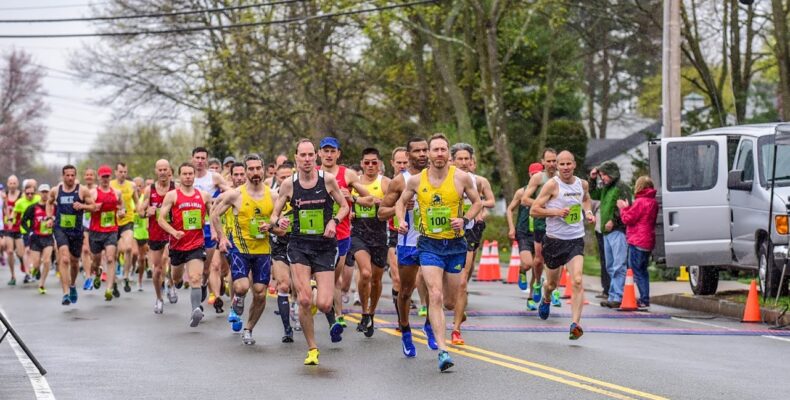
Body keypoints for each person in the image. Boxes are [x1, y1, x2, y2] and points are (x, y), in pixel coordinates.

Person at [395, 134, 482, 372]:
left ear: (449, 155)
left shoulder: (462, 178)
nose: (439, 154)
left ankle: (439, 325)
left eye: (444, 149)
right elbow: (400, 203)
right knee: (434, 294)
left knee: (451, 302)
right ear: (430, 154)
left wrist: (464, 220)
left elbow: (478, 203)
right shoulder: (415, 180)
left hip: (455, 245)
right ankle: (443, 350)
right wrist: (401, 220)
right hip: (429, 244)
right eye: (435, 150)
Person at [270, 139, 349, 366]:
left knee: (324, 304)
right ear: (296, 158)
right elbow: (273, 217)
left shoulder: (328, 180)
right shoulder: (288, 184)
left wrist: (334, 221)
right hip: (299, 245)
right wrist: (280, 221)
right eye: (302, 155)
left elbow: (344, 206)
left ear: (315, 156)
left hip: (324, 245)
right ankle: (312, 349)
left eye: (309, 155)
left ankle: (317, 300)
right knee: (304, 300)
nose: (306, 159)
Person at [212, 154, 281, 345]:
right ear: (246, 171)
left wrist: (274, 227)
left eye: (258, 168)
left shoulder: (273, 196)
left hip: (263, 250)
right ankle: (238, 299)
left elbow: (282, 226)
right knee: (241, 287)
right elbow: (215, 214)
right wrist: (222, 237)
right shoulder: (236, 194)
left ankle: (249, 328)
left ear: (264, 169)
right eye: (251, 169)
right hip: (240, 248)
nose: (255, 172)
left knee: (260, 292)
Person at [530, 151, 595, 340]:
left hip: (575, 239)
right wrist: (557, 212)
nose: (565, 167)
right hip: (554, 240)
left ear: (574, 164)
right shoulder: (552, 185)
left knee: (576, 280)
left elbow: (585, 199)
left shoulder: (582, 184)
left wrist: (588, 212)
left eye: (569, 164)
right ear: (556, 166)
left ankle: (575, 324)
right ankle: (547, 297)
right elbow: (534, 210)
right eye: (562, 164)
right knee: (551, 284)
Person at [378, 138, 429, 357]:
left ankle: (430, 324)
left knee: (435, 290)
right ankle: (406, 329)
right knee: (406, 291)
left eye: (425, 150)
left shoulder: (439, 177)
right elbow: (381, 212)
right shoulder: (400, 181)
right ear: (408, 156)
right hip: (408, 242)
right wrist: (401, 208)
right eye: (416, 151)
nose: (422, 154)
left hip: (433, 240)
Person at [317, 136, 372, 328]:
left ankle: (335, 312)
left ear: (338, 154)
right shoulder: (313, 173)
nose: (329, 154)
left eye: (333, 151)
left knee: (335, 276)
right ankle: (336, 315)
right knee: (325, 275)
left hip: (341, 233)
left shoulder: (347, 174)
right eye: (326, 151)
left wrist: (352, 198)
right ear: (319, 153)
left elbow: (369, 198)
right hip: (317, 234)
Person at [449, 143, 495, 345]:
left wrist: (476, 206)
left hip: (469, 231)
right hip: (446, 232)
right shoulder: (446, 179)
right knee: (447, 297)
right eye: (460, 158)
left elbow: (491, 201)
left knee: (462, 279)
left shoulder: (479, 181)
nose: (464, 162)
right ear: (453, 161)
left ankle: (456, 329)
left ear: (472, 161)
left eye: (467, 158)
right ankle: (457, 308)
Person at [158, 162, 214, 327]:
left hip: (196, 243)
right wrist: (173, 232)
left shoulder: (203, 196)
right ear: (179, 176)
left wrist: (217, 232)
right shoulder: (172, 195)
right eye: (185, 174)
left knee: (196, 277)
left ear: (194, 175)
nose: (188, 176)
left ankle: (195, 310)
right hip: (177, 245)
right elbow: (161, 219)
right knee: (177, 277)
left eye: (191, 174)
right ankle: (172, 283)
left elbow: (214, 216)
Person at [349, 147, 390, 337]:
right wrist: (353, 207)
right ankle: (364, 312)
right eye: (367, 162)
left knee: (376, 278)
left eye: (374, 162)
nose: (371, 166)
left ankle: (371, 313)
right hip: (358, 234)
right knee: (365, 272)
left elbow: (393, 204)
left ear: (379, 163)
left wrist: (378, 202)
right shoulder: (354, 183)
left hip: (380, 235)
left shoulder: (385, 183)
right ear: (361, 164)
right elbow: (344, 202)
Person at [521, 149, 562, 310]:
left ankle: (555, 289)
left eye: (554, 161)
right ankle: (537, 283)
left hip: (558, 222)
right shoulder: (539, 178)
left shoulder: (562, 177)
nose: (552, 164)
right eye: (549, 161)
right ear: (543, 162)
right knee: (538, 260)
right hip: (540, 223)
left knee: (558, 258)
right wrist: (543, 206)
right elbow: (525, 199)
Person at [191, 147, 230, 313]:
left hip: (211, 225)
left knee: (212, 266)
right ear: (192, 159)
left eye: (203, 158)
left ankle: (211, 290)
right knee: (203, 267)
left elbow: (230, 192)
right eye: (197, 157)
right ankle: (208, 288)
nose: (200, 160)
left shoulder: (214, 177)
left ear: (206, 160)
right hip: (193, 227)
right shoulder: (187, 177)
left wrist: (215, 200)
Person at [588, 161, 632, 308]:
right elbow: (593, 194)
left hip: (618, 231)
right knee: (610, 266)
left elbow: (626, 207)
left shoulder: (621, 188)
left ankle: (617, 296)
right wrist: (592, 179)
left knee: (619, 265)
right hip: (606, 232)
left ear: (612, 173)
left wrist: (614, 220)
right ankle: (612, 294)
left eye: (604, 175)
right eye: (601, 175)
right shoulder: (606, 188)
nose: (603, 178)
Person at [48, 165, 93, 305]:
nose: (70, 178)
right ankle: (65, 293)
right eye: (67, 175)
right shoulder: (56, 190)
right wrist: (50, 217)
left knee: (74, 263)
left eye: (72, 175)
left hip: (77, 231)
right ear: (63, 176)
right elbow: (49, 203)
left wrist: (83, 206)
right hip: (60, 228)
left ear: (75, 175)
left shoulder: (82, 190)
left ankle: (72, 285)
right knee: (65, 259)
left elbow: (94, 206)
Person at [138, 159, 175, 314]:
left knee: (168, 260)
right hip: (155, 233)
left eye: (165, 169)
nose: (162, 172)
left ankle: (171, 284)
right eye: (159, 170)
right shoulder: (150, 190)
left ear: (169, 171)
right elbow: (140, 212)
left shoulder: (175, 188)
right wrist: (147, 212)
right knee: (157, 270)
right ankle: (159, 298)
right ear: (156, 171)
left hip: (171, 232)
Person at [617, 176, 658, 308]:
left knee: (636, 270)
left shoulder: (640, 202)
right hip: (648, 239)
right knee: (643, 270)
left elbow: (628, 219)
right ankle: (645, 297)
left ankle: (644, 299)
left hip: (637, 239)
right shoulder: (652, 202)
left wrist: (623, 208)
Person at [87, 165, 125, 301]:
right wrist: (93, 208)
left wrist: (121, 213)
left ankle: (108, 288)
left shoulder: (116, 193)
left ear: (110, 177)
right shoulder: (92, 193)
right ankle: (97, 274)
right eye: (103, 177)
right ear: (99, 177)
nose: (105, 179)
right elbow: (86, 210)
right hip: (96, 231)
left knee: (110, 258)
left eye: (107, 176)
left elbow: (122, 207)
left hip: (111, 230)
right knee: (96, 262)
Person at [110, 163, 140, 294]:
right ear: (115, 172)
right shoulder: (110, 185)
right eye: (120, 171)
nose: (123, 174)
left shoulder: (131, 185)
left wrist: (140, 210)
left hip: (128, 220)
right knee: (114, 253)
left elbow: (137, 201)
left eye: (125, 172)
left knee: (128, 248)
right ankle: (114, 281)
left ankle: (126, 276)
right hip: (112, 221)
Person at [21, 184, 54, 295]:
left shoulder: (54, 207)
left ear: (49, 193)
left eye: (46, 192)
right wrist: (29, 232)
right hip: (36, 238)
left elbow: (59, 219)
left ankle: (42, 284)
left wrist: (55, 225)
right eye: (43, 192)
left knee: (46, 261)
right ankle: (34, 270)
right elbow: (23, 221)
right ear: (39, 193)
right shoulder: (33, 207)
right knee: (36, 264)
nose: (45, 194)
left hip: (48, 238)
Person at [4, 175, 30, 285]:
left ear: (18, 184)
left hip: (19, 227)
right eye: (10, 183)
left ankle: (22, 263)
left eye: (14, 183)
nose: (12, 185)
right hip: (8, 227)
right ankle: (12, 275)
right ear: (7, 184)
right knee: (9, 251)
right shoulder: (4, 195)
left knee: (20, 253)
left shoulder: (22, 195)